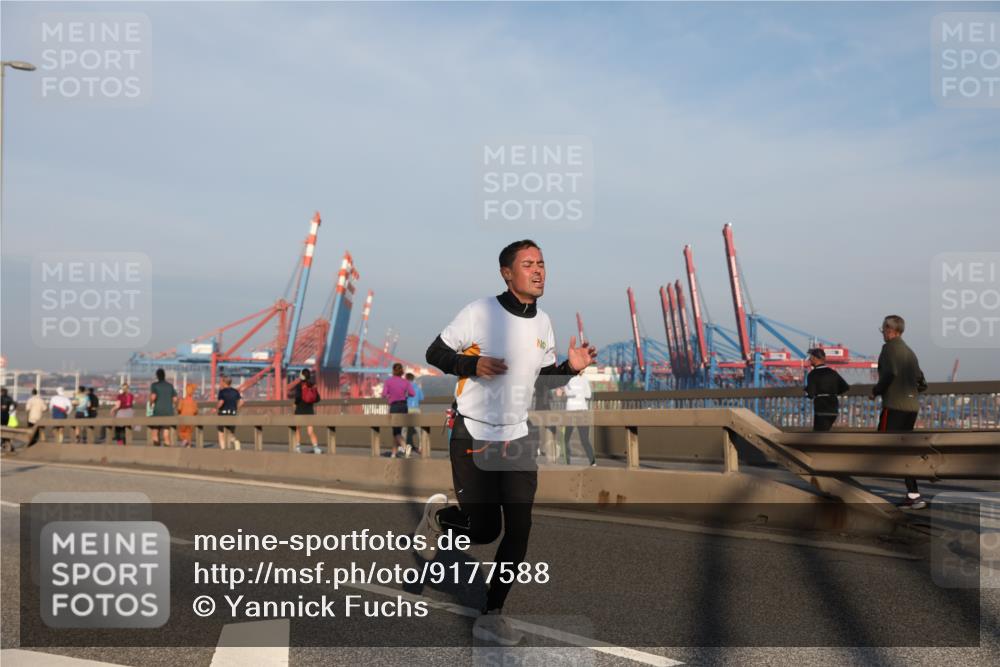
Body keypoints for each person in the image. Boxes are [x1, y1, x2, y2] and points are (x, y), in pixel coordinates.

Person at [416, 239, 596, 646]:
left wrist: (571, 368)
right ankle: (441, 519)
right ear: (507, 273)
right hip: (474, 431)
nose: (538, 271)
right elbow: (435, 351)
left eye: (542, 263)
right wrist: (470, 363)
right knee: (483, 530)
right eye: (528, 264)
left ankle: (491, 614)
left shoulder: (543, 322)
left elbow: (542, 381)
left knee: (519, 529)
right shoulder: (480, 312)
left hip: (516, 435)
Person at [871, 315, 928, 509]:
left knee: (882, 444)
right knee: (902, 448)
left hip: (894, 406)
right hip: (911, 407)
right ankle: (913, 493)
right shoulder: (909, 352)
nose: (883, 334)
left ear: (889, 329)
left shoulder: (888, 349)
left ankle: (914, 493)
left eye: (883, 330)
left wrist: (876, 391)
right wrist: (911, 392)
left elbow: (890, 373)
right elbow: (921, 381)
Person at [804, 348, 850, 432]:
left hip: (821, 408)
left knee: (818, 435)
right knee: (825, 432)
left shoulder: (813, 374)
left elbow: (811, 394)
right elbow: (845, 387)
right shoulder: (833, 372)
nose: (809, 359)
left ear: (815, 358)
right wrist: (833, 393)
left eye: (811, 357)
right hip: (833, 407)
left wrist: (807, 390)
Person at [382, 363, 415, 458]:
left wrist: (391, 396)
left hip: (395, 406)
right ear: (402, 371)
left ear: (393, 371)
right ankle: (394, 452)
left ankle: (405, 447)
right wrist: (404, 396)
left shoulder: (388, 381)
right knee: (398, 430)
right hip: (404, 406)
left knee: (396, 431)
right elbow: (412, 393)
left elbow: (384, 394)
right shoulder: (405, 382)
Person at [562, 373, 596, 466]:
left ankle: (567, 463)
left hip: (571, 411)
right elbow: (588, 395)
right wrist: (580, 392)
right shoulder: (584, 378)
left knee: (566, 439)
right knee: (584, 439)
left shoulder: (566, 378)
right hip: (583, 411)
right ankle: (593, 462)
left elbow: (568, 393)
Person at [291, 368, 320, 453]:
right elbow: (317, 399)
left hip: (300, 410)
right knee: (310, 431)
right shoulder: (312, 385)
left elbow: (298, 398)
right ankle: (316, 448)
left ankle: (298, 448)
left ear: (301, 375)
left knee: (297, 429)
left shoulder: (299, 385)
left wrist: (295, 404)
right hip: (309, 410)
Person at [149, 369, 178, 446]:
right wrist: (174, 406)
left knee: (155, 431)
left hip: (158, 411)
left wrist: (151, 404)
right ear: (164, 375)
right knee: (166, 433)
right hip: (168, 412)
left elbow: (153, 397)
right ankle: (167, 450)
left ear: (157, 376)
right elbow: (175, 399)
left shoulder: (154, 385)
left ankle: (157, 450)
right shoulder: (170, 386)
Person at [216, 376, 244, 449]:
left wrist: (217, 408)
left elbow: (221, 402)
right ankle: (235, 441)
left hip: (223, 414)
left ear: (224, 382)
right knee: (231, 432)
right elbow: (242, 402)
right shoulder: (235, 391)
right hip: (233, 413)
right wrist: (236, 408)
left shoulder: (222, 392)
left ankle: (223, 450)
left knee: (221, 433)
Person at [405, 372, 424, 453]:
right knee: (418, 429)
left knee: (405, 429)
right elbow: (421, 398)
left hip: (407, 409)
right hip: (416, 409)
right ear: (413, 379)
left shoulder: (405, 386)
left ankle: (405, 447)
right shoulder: (417, 387)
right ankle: (421, 446)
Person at [177, 383, 199, 447]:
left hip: (183, 420)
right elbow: (195, 411)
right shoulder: (194, 402)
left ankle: (185, 441)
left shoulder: (182, 400)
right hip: (191, 420)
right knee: (189, 433)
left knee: (182, 432)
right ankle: (188, 444)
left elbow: (179, 409)